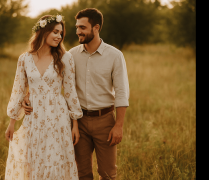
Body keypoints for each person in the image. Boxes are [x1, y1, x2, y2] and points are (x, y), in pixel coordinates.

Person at [22, 8, 129, 180]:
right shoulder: (69, 56)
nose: (78, 31)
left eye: (82, 27)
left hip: (105, 121)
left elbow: (122, 93)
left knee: (108, 174)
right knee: (82, 173)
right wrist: (28, 94)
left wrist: (119, 125)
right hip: (77, 122)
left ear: (96, 28)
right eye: (77, 27)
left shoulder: (115, 56)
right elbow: (50, 79)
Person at [4, 14, 83, 180]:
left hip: (57, 116)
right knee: (33, 159)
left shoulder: (65, 58)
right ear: (43, 31)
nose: (59, 36)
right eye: (55, 31)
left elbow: (70, 92)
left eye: (61, 33)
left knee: (55, 159)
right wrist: (12, 122)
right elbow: (18, 89)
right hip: (34, 116)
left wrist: (75, 124)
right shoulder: (24, 59)